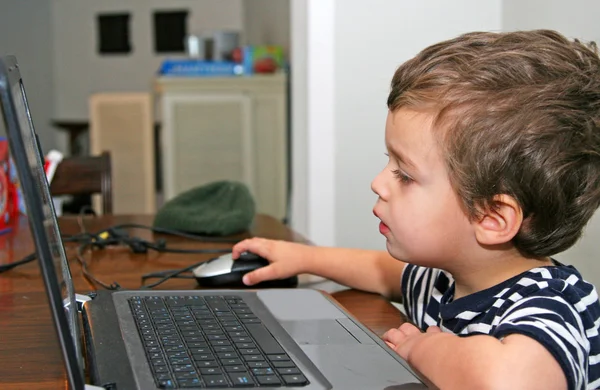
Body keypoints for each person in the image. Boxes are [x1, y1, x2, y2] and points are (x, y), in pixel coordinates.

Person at [232, 30, 600, 390]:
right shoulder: (445, 278)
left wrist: (423, 348)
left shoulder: (549, 305)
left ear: (491, 218)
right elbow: (382, 272)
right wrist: (303, 258)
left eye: (405, 175)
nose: (379, 182)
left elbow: (507, 381)